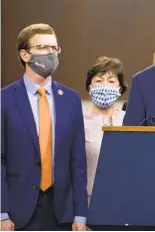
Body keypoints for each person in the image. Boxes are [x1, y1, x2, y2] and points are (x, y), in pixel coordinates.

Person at [1, 24, 88, 231]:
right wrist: (2, 212)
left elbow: (78, 161)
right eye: (43, 48)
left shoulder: (70, 99)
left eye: (54, 48)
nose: (50, 53)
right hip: (18, 212)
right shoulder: (5, 99)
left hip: (62, 212)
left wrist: (81, 214)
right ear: (25, 54)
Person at [83, 56, 128, 203]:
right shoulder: (79, 119)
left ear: (120, 87)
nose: (105, 86)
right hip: (88, 198)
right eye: (98, 80)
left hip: (123, 196)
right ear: (90, 87)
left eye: (111, 81)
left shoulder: (129, 119)